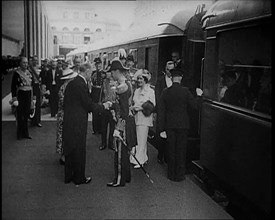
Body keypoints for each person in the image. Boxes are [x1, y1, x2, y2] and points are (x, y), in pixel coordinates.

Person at [62, 63, 111, 186]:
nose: (92, 75)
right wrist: (103, 106)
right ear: (87, 72)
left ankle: (68, 176)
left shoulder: (72, 83)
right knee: (79, 149)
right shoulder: (81, 85)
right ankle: (79, 178)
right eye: (91, 73)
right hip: (78, 123)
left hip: (69, 121)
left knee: (70, 148)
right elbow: (88, 104)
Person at [158, 68, 203, 182]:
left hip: (170, 125)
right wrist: (199, 96)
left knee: (171, 149)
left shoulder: (165, 92)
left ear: (172, 78)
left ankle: (171, 174)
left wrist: (161, 128)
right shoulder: (185, 91)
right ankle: (179, 175)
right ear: (181, 78)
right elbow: (195, 106)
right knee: (181, 150)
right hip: (183, 125)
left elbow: (161, 111)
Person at [107, 59, 136, 187]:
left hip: (122, 123)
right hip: (127, 121)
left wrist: (118, 128)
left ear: (117, 71)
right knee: (125, 151)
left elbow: (123, 111)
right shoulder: (127, 84)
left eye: (112, 72)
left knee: (119, 152)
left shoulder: (121, 87)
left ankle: (119, 179)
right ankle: (126, 176)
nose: (111, 75)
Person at [129, 69, 155, 168]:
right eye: (138, 79)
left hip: (144, 118)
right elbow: (134, 102)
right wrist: (133, 107)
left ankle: (139, 160)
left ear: (145, 80)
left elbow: (152, 105)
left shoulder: (150, 91)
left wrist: (138, 108)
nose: (138, 81)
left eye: (140, 79)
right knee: (137, 138)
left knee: (142, 139)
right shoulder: (136, 91)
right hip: (136, 117)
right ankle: (142, 157)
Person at [56, 68, 78, 165]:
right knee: (64, 135)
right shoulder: (66, 88)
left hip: (62, 114)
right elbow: (65, 103)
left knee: (62, 135)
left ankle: (64, 155)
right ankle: (64, 157)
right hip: (65, 114)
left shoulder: (63, 87)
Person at [155, 61, 175, 164]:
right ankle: (160, 155)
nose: (170, 72)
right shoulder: (160, 81)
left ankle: (167, 156)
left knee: (170, 135)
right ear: (165, 69)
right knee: (161, 135)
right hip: (163, 112)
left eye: (172, 70)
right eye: (168, 70)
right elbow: (157, 97)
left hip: (172, 113)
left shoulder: (176, 81)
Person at [11, 57, 33, 140]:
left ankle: (26, 133)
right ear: (20, 63)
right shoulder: (16, 73)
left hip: (28, 94)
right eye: (24, 63)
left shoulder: (29, 72)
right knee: (20, 115)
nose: (25, 64)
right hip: (21, 94)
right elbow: (13, 87)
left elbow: (32, 85)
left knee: (27, 113)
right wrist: (14, 98)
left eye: (27, 63)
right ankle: (19, 134)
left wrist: (33, 97)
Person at [99, 66, 116, 151]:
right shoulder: (104, 82)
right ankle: (103, 143)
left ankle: (111, 143)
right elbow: (101, 94)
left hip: (113, 107)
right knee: (103, 126)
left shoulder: (116, 82)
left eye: (109, 72)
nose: (108, 74)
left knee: (112, 126)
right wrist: (100, 105)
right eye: (107, 72)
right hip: (105, 106)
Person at [90, 57, 104, 134]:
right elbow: (91, 83)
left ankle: (101, 129)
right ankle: (95, 129)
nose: (98, 65)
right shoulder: (93, 73)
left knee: (101, 111)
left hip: (101, 93)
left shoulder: (103, 73)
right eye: (96, 64)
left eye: (99, 64)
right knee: (95, 112)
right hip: (95, 92)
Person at [28, 56, 42, 127]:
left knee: (38, 104)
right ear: (32, 61)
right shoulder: (29, 69)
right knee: (32, 104)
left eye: (36, 60)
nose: (35, 62)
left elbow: (41, 79)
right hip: (31, 87)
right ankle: (32, 120)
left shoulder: (39, 68)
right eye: (34, 60)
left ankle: (38, 121)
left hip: (37, 87)